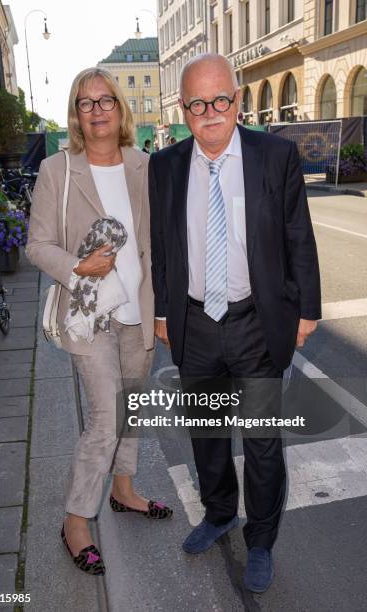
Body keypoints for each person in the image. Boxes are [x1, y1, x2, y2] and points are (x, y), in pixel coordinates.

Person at [149, 54, 321, 593]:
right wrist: (162, 311)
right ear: (185, 109)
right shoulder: (167, 165)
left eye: (220, 100)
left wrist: (308, 310)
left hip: (254, 321)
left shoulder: (275, 156)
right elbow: (163, 247)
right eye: (197, 104)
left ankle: (261, 540)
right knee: (206, 433)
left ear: (237, 99)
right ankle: (220, 512)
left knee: (264, 440)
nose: (211, 113)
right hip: (195, 323)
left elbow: (298, 236)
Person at [26, 66, 172, 577]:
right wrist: (76, 266)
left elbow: (160, 243)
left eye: (105, 99)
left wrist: (162, 311)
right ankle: (75, 519)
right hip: (89, 317)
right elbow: (37, 245)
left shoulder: (145, 165)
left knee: (130, 408)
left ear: (120, 107)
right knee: (105, 418)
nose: (97, 110)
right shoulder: (57, 171)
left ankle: (124, 488)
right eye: (86, 103)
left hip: (138, 308)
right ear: (76, 114)